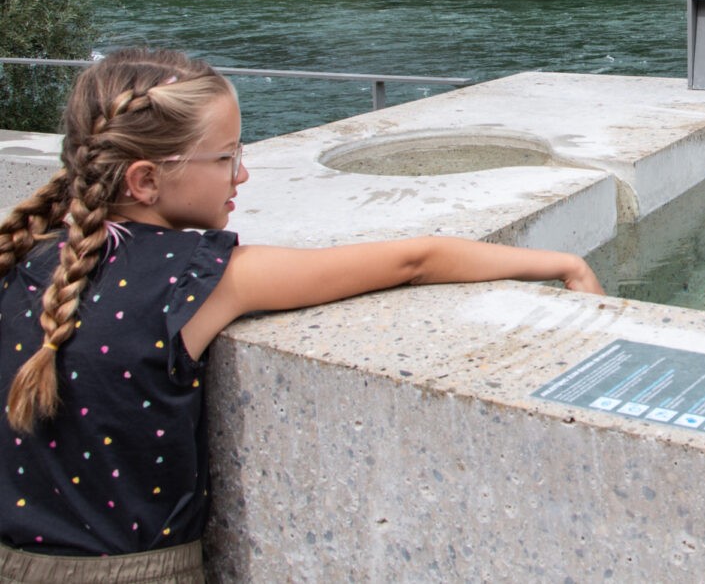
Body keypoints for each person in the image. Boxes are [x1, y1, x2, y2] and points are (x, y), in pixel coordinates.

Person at [0, 48, 602, 581]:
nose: (243, 173)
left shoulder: (26, 254)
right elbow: (413, 261)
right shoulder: (200, 277)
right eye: (227, 157)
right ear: (145, 179)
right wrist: (562, 262)